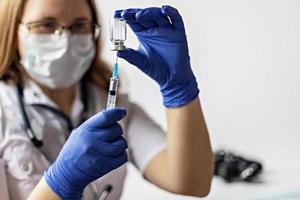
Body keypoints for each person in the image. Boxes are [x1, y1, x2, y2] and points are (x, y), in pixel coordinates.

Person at [0, 0, 214, 199]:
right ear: (12, 30)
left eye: (80, 25)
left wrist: (178, 90)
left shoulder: (116, 108)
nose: (64, 39)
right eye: (46, 24)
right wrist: (60, 182)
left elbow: (191, 182)